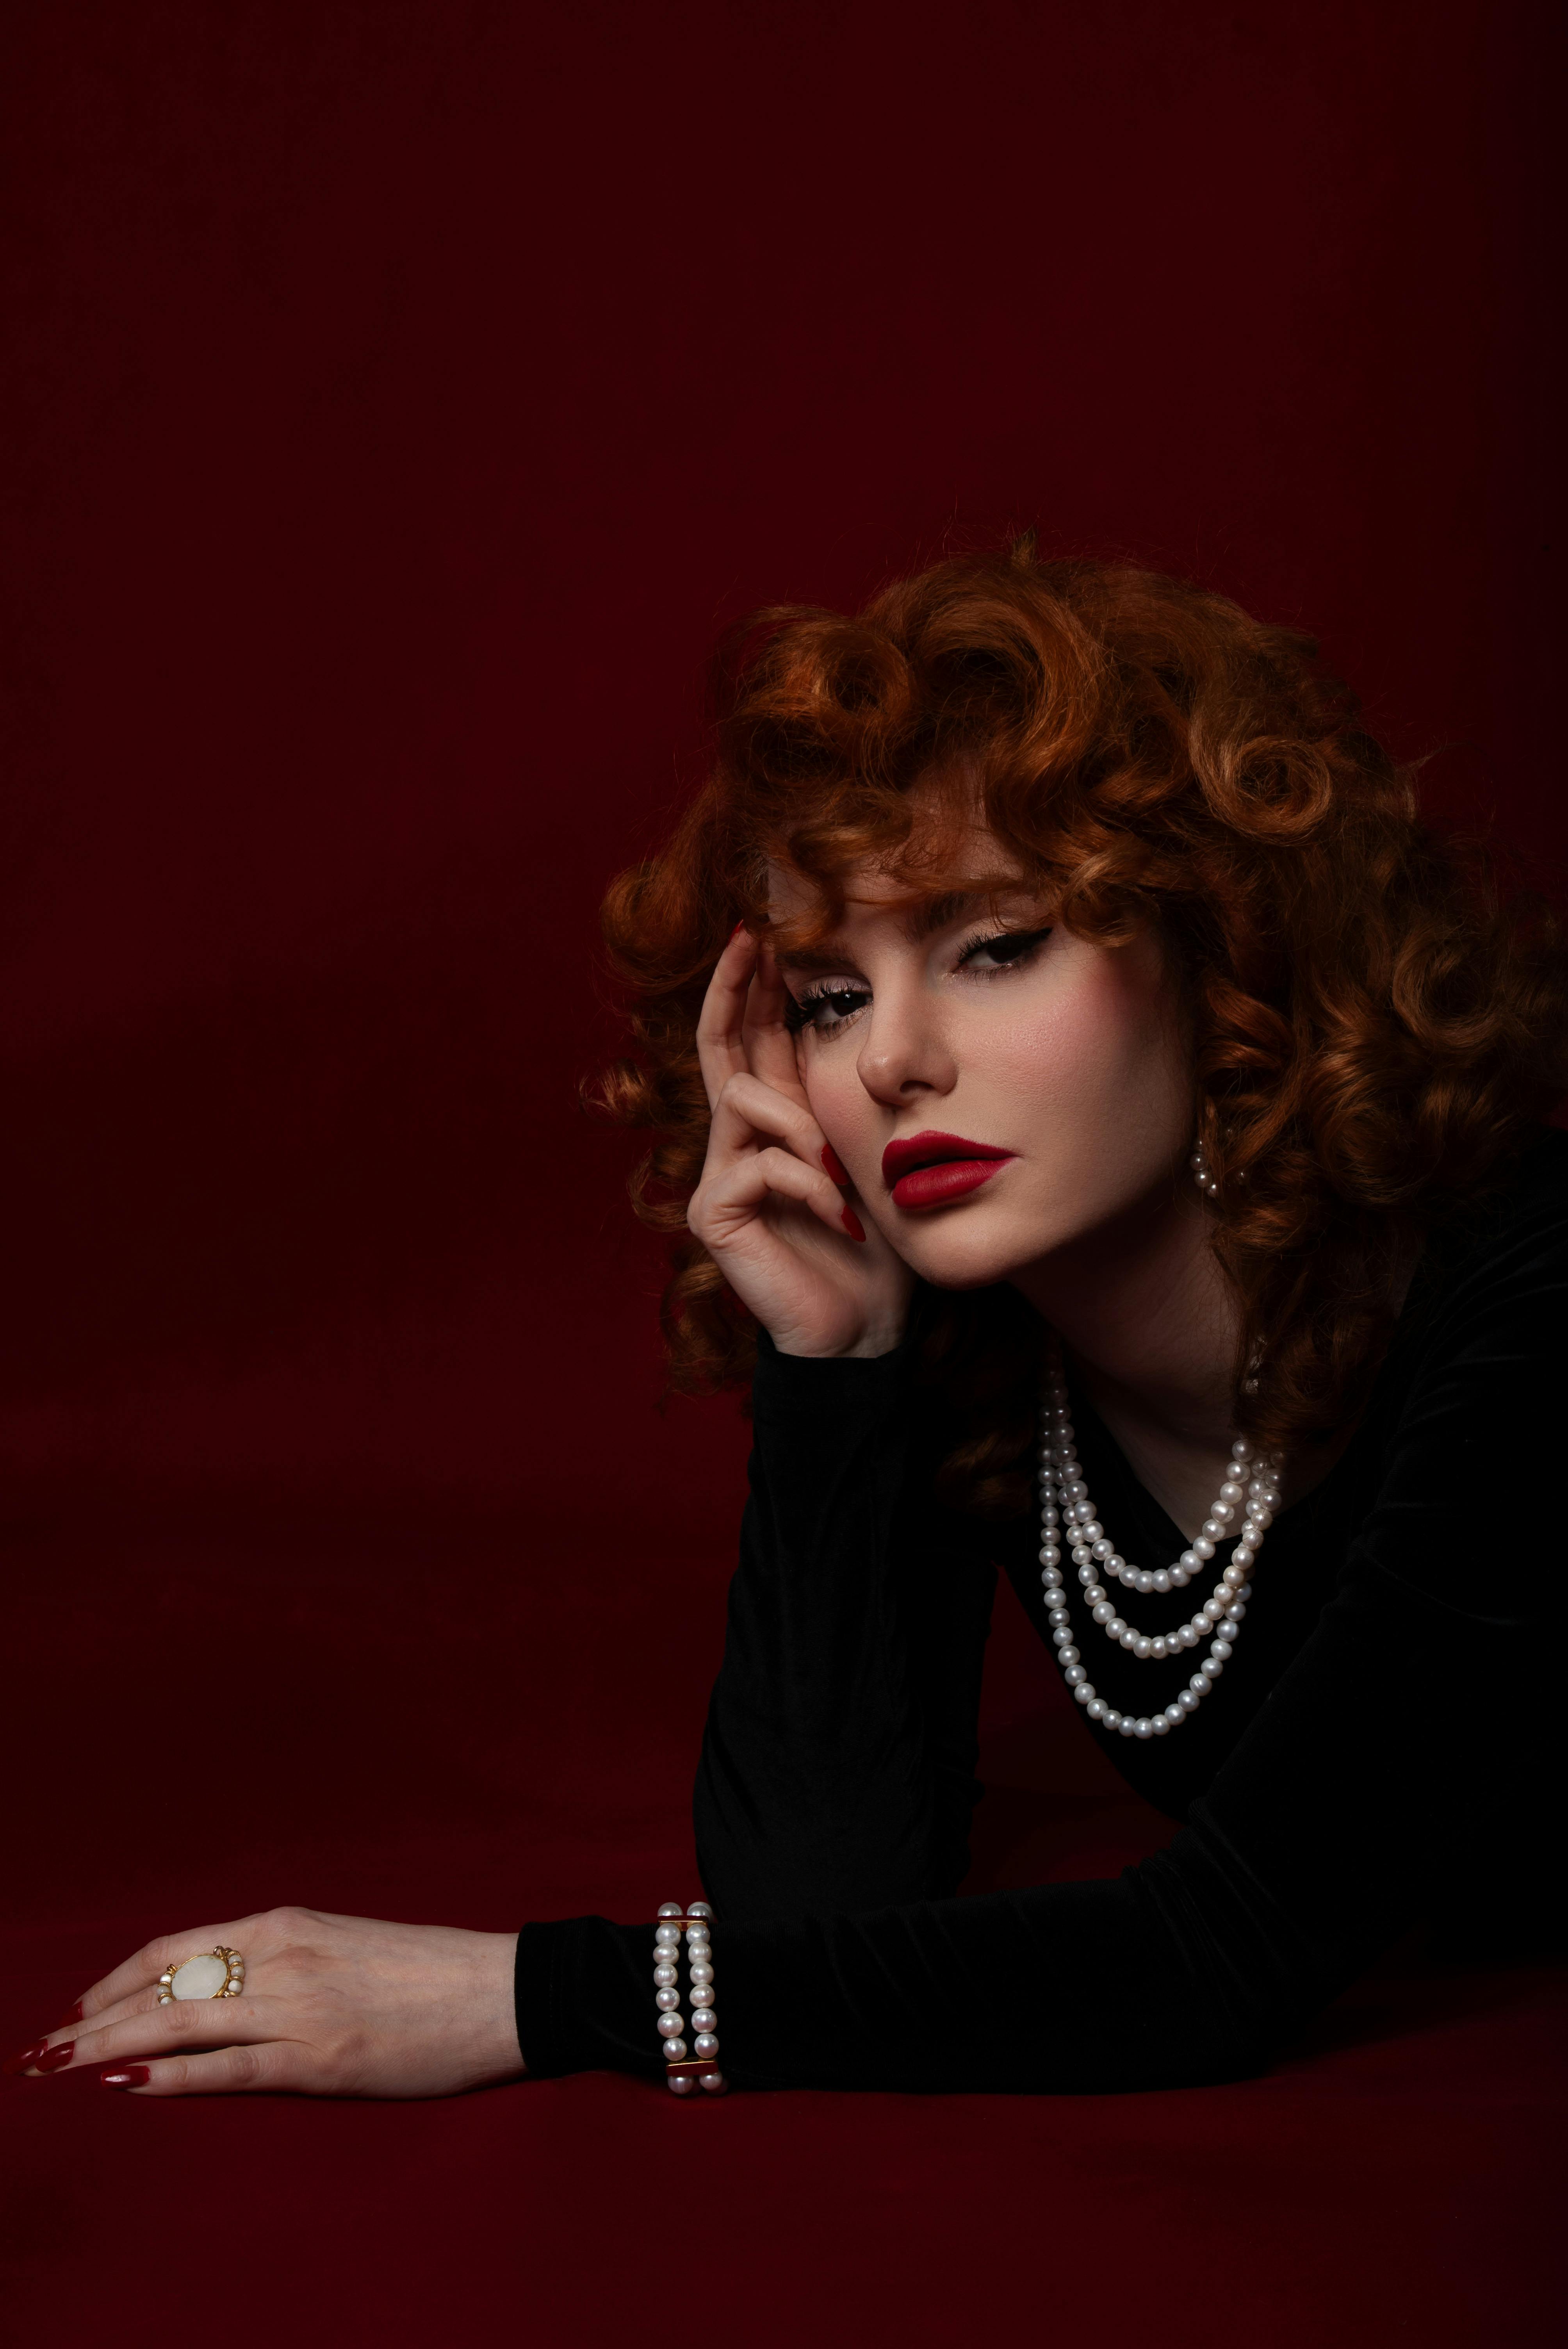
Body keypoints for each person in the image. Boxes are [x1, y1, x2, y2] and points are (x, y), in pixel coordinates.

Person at [9, 543, 1565, 2099]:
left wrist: (519, 1997)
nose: (892, 1058)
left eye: (991, 944)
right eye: (827, 995)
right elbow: (820, 1894)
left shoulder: (1527, 1299)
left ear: (1222, 950)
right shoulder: (989, 1356)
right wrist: (835, 1363)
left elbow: (1211, 1961)